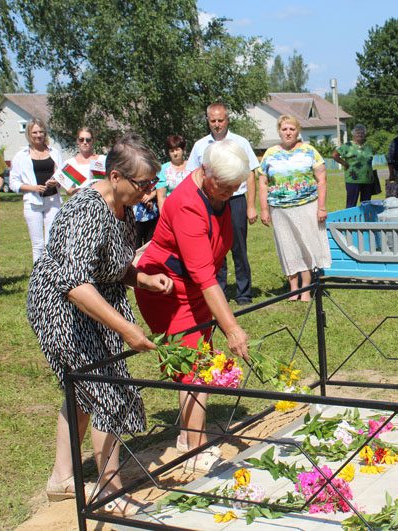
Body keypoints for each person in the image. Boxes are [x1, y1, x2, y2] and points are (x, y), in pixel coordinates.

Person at [27, 134, 173, 514]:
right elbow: (76, 283)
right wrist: (127, 329)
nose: (148, 191)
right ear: (115, 176)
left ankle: (62, 478)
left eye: (152, 183)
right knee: (104, 388)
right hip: (61, 307)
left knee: (84, 391)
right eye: (143, 183)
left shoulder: (124, 207)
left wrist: (141, 279)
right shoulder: (87, 210)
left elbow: (110, 266)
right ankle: (110, 492)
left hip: (93, 300)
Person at [135, 139, 251, 472]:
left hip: (196, 286)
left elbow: (213, 257)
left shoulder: (218, 193)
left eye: (235, 188)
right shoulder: (188, 203)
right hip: (167, 289)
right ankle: (196, 452)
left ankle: (188, 440)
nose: (231, 193)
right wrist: (231, 326)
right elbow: (202, 273)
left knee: (198, 362)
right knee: (195, 367)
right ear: (207, 173)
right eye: (226, 187)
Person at [186, 102, 259, 305]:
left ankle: (244, 293)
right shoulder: (200, 146)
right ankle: (219, 291)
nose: (217, 124)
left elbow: (251, 174)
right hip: (211, 202)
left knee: (238, 247)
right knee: (214, 248)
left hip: (236, 200)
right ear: (208, 121)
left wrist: (251, 206)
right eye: (213, 121)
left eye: (221, 120)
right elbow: (193, 175)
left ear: (227, 120)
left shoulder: (240, 142)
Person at [259, 115, 331, 301]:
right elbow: (263, 182)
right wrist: (264, 209)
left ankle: (305, 290)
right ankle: (293, 289)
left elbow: (322, 179)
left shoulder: (310, 151)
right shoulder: (270, 153)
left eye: (291, 129)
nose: (288, 132)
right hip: (279, 210)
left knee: (305, 246)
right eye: (284, 129)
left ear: (298, 131)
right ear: (279, 131)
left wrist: (321, 207)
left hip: (306, 206)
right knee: (287, 247)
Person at [9, 118, 64, 263]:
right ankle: (39, 278)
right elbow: (13, 182)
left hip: (53, 201)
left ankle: (52, 273)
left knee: (51, 242)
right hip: (33, 203)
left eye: (41, 132)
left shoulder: (54, 152)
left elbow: (62, 176)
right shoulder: (21, 156)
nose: (38, 135)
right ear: (29, 133)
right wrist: (33, 188)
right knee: (38, 245)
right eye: (34, 132)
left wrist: (56, 182)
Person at [332, 124, 375, 208]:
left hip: (368, 180)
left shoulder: (369, 146)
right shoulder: (347, 146)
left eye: (362, 132)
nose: (360, 134)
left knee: (366, 205)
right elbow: (334, 155)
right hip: (353, 180)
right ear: (353, 134)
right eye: (357, 132)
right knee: (351, 205)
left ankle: (365, 221)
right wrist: (344, 163)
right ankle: (350, 221)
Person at [54, 127, 103, 194]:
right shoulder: (69, 163)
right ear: (77, 141)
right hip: (79, 202)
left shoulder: (102, 160)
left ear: (93, 141)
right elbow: (68, 190)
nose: (85, 142)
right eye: (81, 139)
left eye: (88, 140)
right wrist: (77, 191)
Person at [155, 134, 189, 211]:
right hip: (173, 210)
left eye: (177, 149)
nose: (175, 153)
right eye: (172, 151)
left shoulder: (192, 166)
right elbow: (161, 197)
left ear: (183, 150)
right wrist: (163, 218)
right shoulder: (163, 169)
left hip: (192, 209)